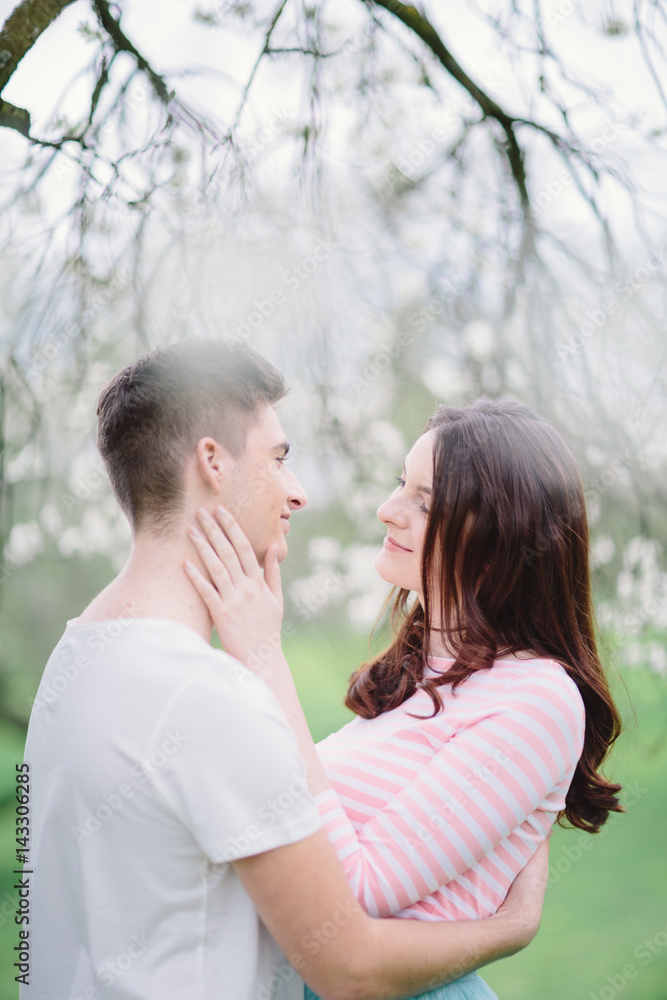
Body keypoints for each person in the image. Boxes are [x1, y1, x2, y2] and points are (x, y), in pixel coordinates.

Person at [22, 340, 549, 1000]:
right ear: (211, 462)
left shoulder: (73, 664)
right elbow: (349, 966)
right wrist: (510, 926)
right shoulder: (207, 700)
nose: (296, 492)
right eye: (278, 458)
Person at [185, 395, 624, 1000]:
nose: (386, 510)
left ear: (501, 535)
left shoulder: (538, 698)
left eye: (424, 501)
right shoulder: (421, 681)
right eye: (401, 486)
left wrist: (264, 657)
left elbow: (353, 893)